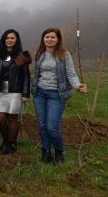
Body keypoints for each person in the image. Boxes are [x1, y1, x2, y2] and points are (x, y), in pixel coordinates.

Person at [32, 27, 87, 164]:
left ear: (57, 40)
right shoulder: (39, 53)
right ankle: (45, 151)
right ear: (43, 39)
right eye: (47, 37)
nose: (49, 39)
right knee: (42, 126)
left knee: (52, 127)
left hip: (56, 95)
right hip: (39, 94)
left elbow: (71, 74)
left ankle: (58, 152)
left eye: (52, 37)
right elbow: (37, 74)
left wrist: (77, 85)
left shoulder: (64, 54)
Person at [0, 29, 31, 154]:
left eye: (12, 38)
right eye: (7, 38)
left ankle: (12, 143)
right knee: (0, 119)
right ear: (3, 40)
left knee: (13, 119)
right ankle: (5, 141)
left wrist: (25, 94)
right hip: (2, 91)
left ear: (16, 40)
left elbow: (26, 76)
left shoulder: (21, 56)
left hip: (16, 91)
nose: (9, 40)